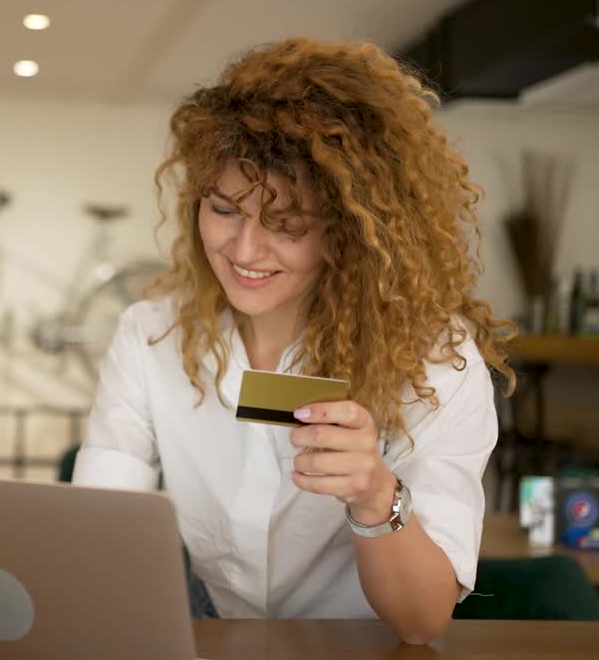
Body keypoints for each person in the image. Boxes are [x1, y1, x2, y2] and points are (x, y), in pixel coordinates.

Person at [72, 38, 515, 644]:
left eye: (287, 225)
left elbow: (422, 620)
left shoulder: (435, 361)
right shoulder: (150, 336)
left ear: (351, 232)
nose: (246, 252)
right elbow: (100, 534)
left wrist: (374, 495)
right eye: (224, 210)